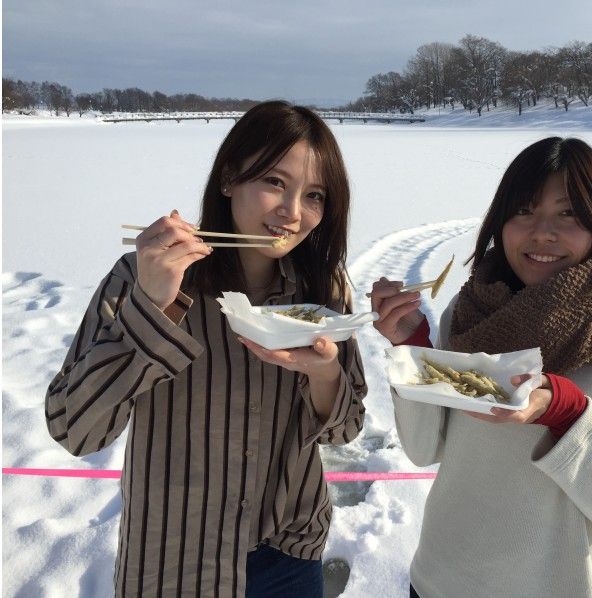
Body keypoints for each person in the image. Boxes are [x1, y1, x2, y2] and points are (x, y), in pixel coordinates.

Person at [44, 101, 367, 598]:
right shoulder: (145, 277)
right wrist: (152, 308)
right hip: (174, 563)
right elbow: (75, 429)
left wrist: (324, 375)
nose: (293, 213)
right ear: (229, 178)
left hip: (289, 552)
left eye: (315, 195)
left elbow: (345, 429)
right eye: (275, 183)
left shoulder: (323, 288)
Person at [370, 137, 592, 598]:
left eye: (568, 214)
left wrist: (567, 413)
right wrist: (411, 347)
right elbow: (423, 448)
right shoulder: (469, 312)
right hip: (441, 579)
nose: (542, 232)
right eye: (523, 211)